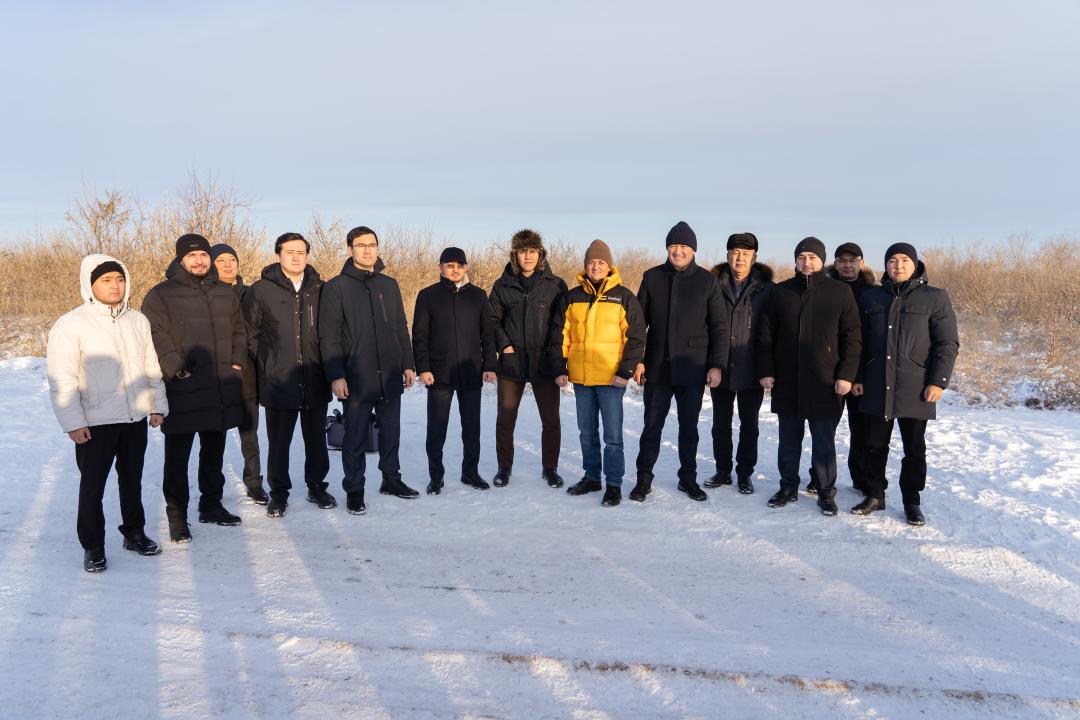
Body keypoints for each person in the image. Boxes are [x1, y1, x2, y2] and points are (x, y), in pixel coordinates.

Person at [46, 255, 168, 572]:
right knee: (93, 487)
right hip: (95, 422)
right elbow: (62, 379)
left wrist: (157, 405)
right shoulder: (71, 324)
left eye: (119, 279)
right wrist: (73, 422)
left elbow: (151, 366)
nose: (115, 286)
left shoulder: (137, 321)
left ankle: (134, 533)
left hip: (133, 418)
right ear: (90, 285)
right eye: (106, 280)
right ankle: (93, 546)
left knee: (132, 480)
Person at [142, 233, 248, 542]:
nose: (199, 261)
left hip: (219, 385)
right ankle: (177, 517)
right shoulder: (161, 295)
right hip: (183, 387)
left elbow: (239, 330)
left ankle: (211, 505)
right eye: (192, 256)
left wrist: (236, 362)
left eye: (203, 255)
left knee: (214, 452)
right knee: (177, 458)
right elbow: (155, 335)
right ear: (180, 260)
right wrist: (176, 369)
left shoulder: (224, 292)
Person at [851, 243, 959, 525]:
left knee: (914, 449)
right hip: (876, 383)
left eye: (904, 260)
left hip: (916, 386)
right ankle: (875, 494)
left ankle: (912, 501)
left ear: (915, 264)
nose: (898, 266)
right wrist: (858, 377)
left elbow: (947, 344)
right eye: (892, 261)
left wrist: (938, 382)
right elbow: (858, 342)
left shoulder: (934, 297)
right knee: (873, 445)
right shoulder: (872, 297)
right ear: (885, 265)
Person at [757, 237, 861, 516]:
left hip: (825, 381)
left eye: (813, 257)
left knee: (824, 442)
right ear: (795, 260)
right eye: (802, 257)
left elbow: (852, 338)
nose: (807, 262)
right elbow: (765, 335)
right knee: (788, 440)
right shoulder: (780, 292)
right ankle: (788, 486)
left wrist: (846, 375)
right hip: (787, 380)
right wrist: (766, 370)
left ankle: (826, 492)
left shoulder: (840, 292)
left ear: (822, 261)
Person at [319, 225, 417, 515]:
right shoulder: (336, 287)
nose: (367, 250)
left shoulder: (389, 284)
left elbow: (400, 326)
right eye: (361, 245)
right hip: (356, 376)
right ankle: (354, 489)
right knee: (355, 437)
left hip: (389, 373)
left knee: (391, 433)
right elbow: (329, 336)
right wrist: (336, 375)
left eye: (372, 245)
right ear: (350, 249)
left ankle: (391, 479)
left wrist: (408, 363)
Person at [629, 221, 728, 503]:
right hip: (658, 367)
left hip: (692, 367)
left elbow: (719, 327)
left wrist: (716, 365)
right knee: (652, 427)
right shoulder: (652, 277)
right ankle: (643, 479)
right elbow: (638, 325)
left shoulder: (708, 281)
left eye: (683, 246)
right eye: (673, 246)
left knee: (689, 429)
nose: (678, 251)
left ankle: (688, 479)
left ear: (693, 249)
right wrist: (638, 360)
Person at [243, 232, 335, 518]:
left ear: (307, 256)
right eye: (290, 252)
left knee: (316, 440)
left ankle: (317, 486)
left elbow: (331, 332)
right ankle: (279, 493)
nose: (296, 257)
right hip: (278, 381)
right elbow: (249, 335)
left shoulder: (320, 288)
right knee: (279, 443)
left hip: (315, 377)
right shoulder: (260, 290)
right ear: (278, 255)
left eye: (301, 252)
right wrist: (267, 366)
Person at [555, 240, 646, 506]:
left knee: (613, 437)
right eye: (591, 262)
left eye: (601, 262)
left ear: (609, 266)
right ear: (585, 265)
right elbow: (560, 336)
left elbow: (636, 337)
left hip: (611, 379)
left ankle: (614, 483)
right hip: (582, 378)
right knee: (586, 432)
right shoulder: (572, 297)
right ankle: (592, 476)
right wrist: (560, 367)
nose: (596, 266)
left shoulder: (624, 297)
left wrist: (625, 371)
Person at [413, 247, 498, 495]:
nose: (455, 270)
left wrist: (489, 365)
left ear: (466, 267)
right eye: (449, 265)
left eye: (460, 265)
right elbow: (420, 336)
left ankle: (470, 472)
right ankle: (436, 477)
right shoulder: (428, 296)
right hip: (439, 373)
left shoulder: (478, 296)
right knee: (436, 428)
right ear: (440, 267)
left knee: (472, 428)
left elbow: (487, 334)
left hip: (471, 370)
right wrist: (423, 368)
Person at [488, 229, 569, 489]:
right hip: (512, 363)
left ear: (540, 254)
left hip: (545, 363)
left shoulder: (555, 285)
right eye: (523, 251)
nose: (528, 256)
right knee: (505, 419)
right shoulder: (502, 285)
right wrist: (505, 345)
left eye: (532, 251)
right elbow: (492, 321)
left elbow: (562, 324)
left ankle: (550, 468)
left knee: (551, 420)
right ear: (515, 254)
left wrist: (556, 358)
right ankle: (504, 467)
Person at [705, 232, 773, 495]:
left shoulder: (766, 290)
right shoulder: (713, 286)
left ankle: (745, 473)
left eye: (746, 253)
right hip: (720, 366)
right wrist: (711, 363)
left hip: (752, 368)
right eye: (735, 252)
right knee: (720, 424)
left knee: (750, 426)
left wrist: (768, 368)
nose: (740, 258)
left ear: (754, 258)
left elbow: (772, 332)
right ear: (728, 255)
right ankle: (722, 470)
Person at [211, 243, 268, 505]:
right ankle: (212, 490)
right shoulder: (207, 295)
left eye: (231, 259)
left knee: (250, 435)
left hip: (248, 376)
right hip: (218, 377)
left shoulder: (251, 294)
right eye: (220, 260)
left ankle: (254, 483)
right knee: (214, 439)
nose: (227, 264)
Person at [821, 241, 877, 497]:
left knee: (861, 430)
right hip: (829, 371)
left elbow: (871, 338)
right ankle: (820, 476)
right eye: (842, 261)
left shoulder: (873, 293)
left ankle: (861, 477)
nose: (847, 265)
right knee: (825, 428)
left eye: (852, 261)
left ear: (861, 263)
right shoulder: (823, 289)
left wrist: (858, 375)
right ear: (835, 263)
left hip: (861, 375)